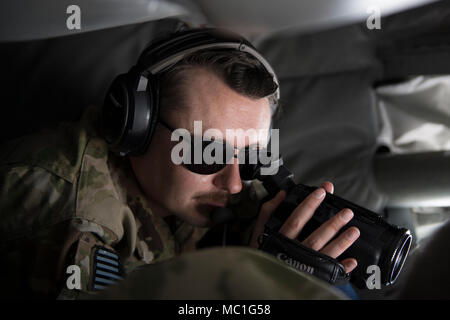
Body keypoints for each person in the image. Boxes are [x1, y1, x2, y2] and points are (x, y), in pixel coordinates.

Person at [0, 27, 359, 299]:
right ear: (135, 125)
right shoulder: (73, 217)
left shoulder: (204, 187)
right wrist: (251, 280)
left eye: (251, 157)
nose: (234, 184)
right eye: (208, 154)